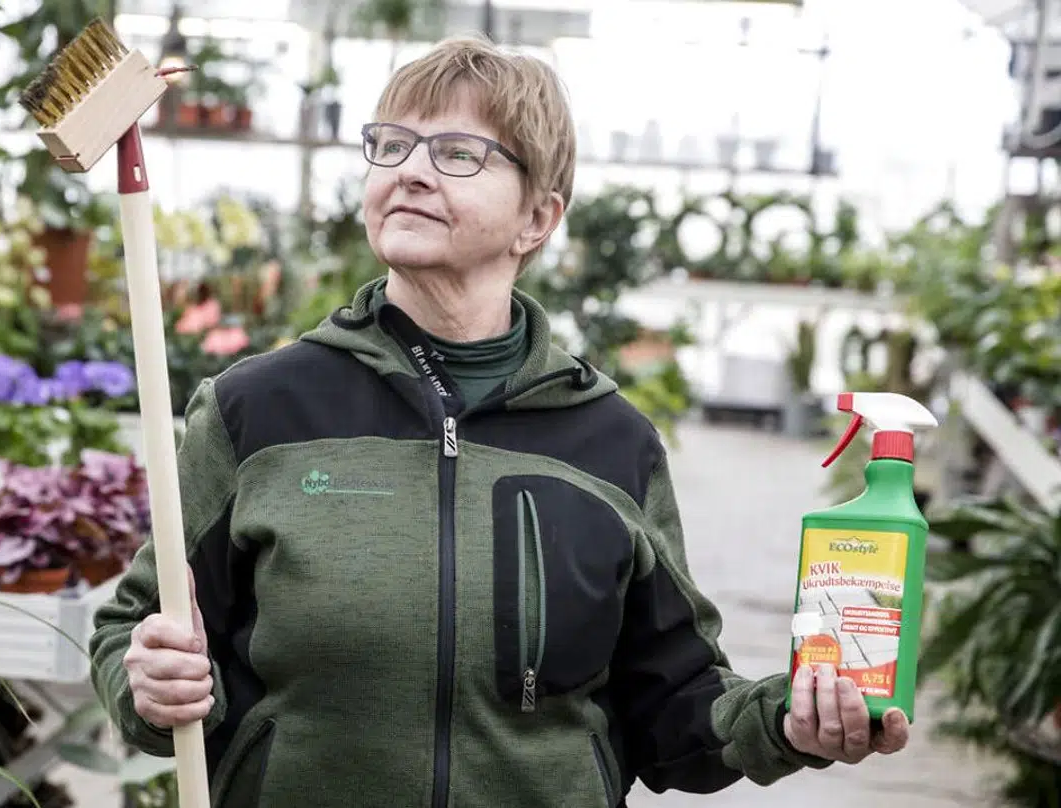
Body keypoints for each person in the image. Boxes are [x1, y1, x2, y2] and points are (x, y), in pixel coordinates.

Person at [89, 35, 910, 808]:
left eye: (457, 154)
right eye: (392, 145)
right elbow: (135, 626)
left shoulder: (611, 442)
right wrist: (145, 683)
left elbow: (676, 708)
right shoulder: (256, 410)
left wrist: (787, 724)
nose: (411, 172)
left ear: (537, 219)